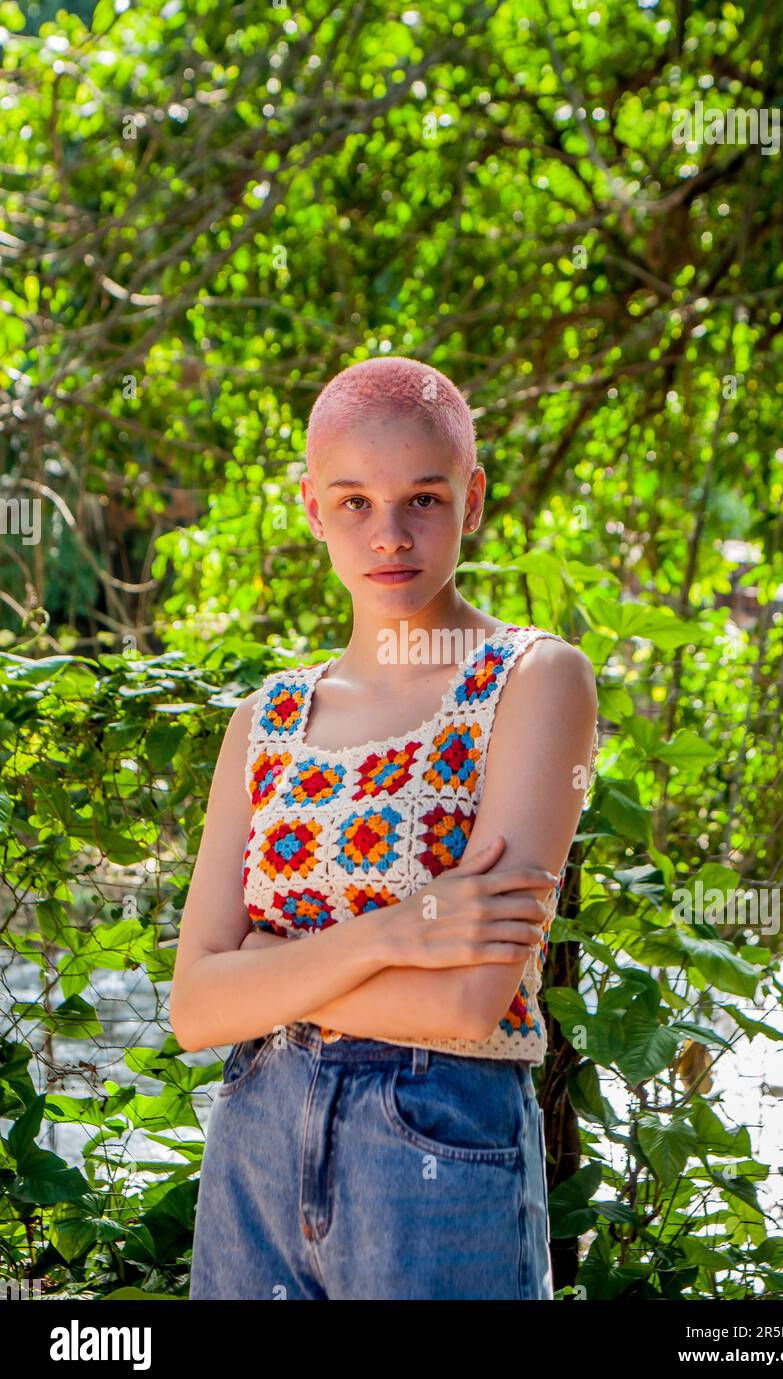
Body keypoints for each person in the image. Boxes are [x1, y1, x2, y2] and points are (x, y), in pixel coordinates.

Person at [171, 355, 598, 1300]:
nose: (390, 534)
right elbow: (194, 1008)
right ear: (313, 507)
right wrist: (395, 935)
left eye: (424, 498)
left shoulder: (530, 682)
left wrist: (267, 974)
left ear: (473, 498)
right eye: (354, 501)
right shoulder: (268, 717)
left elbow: (465, 1005)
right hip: (255, 1139)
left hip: (436, 1146)